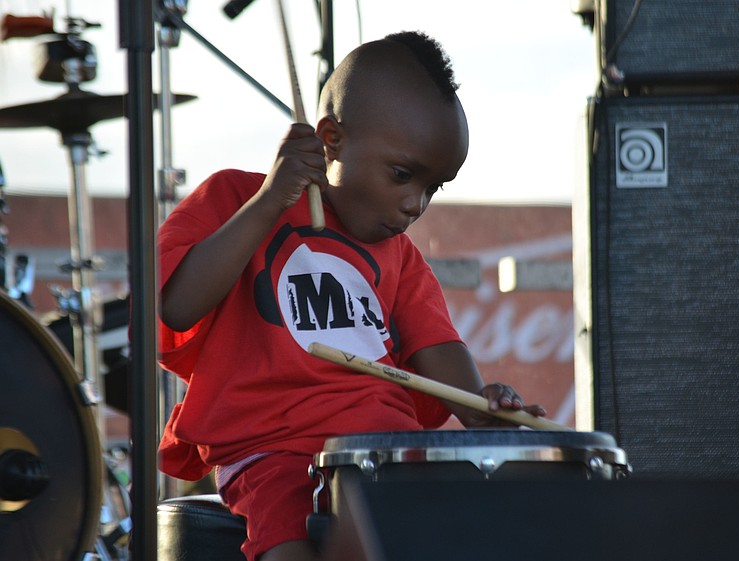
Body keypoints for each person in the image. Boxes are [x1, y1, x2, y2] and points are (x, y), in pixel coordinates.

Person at [156, 31, 546, 561]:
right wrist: (273, 199)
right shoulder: (233, 197)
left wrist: (478, 405)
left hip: (383, 447)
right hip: (275, 449)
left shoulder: (401, 255)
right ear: (332, 139)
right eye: (403, 175)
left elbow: (436, 343)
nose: (415, 204)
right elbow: (175, 306)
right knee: (290, 537)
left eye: (433, 188)